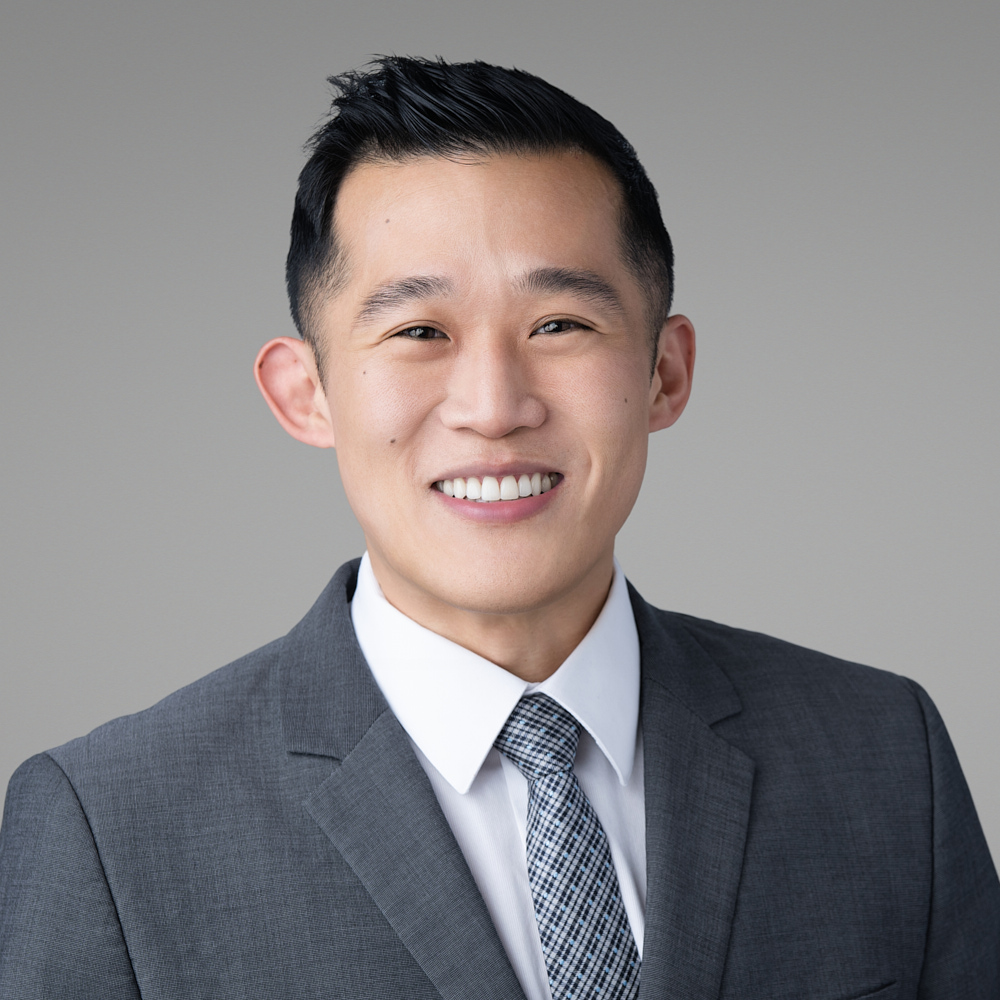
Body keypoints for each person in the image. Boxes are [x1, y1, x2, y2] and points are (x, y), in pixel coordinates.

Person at [1, 56, 997, 1000]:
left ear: (665, 372)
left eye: (559, 325)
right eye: (418, 332)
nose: (493, 405)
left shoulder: (882, 754)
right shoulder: (109, 830)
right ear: (306, 393)